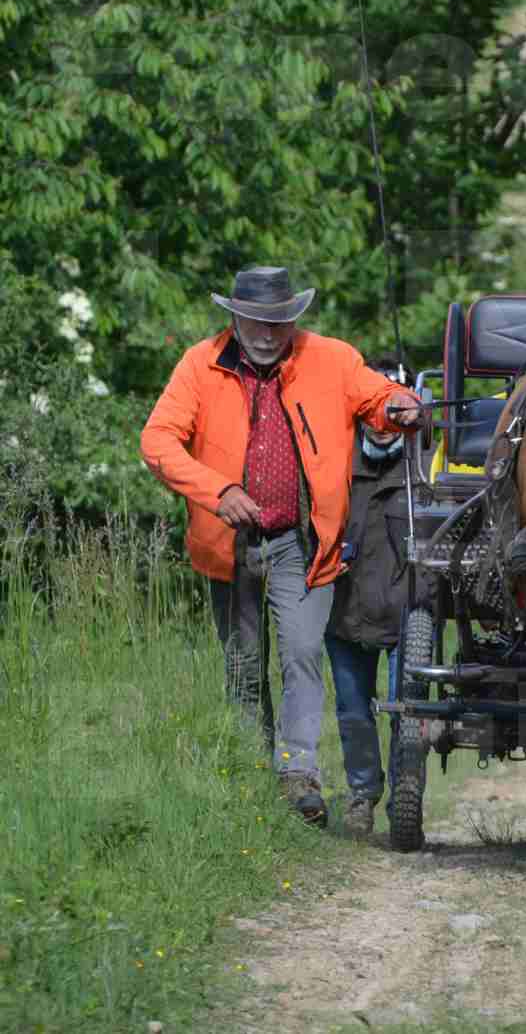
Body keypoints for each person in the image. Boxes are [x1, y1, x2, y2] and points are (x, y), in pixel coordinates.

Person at [140, 266, 421, 827]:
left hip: (301, 538)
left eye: (281, 322)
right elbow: (157, 440)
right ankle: (251, 772)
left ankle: (298, 774)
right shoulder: (200, 363)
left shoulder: (331, 358)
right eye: (258, 321)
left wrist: (399, 406)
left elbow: (379, 395)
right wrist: (216, 490)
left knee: (299, 653)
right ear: (235, 317)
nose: (269, 333)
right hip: (228, 539)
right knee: (244, 664)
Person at [325, 354, 434, 838]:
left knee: (408, 712)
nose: (387, 422)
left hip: (409, 610)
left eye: (397, 407)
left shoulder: (427, 464)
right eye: (377, 407)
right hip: (343, 610)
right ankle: (363, 796)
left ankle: (405, 803)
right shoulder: (332, 459)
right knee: (352, 712)